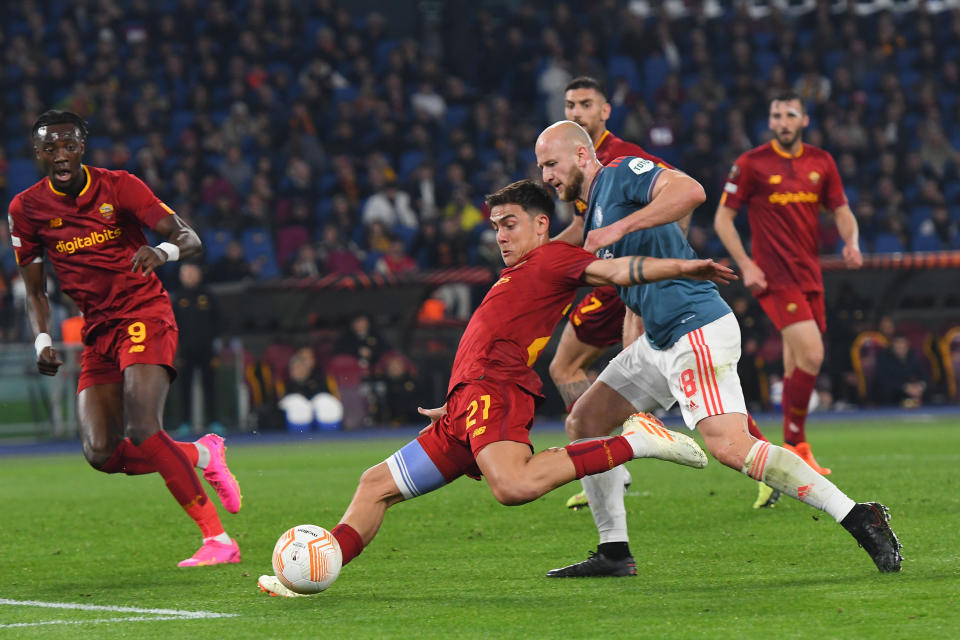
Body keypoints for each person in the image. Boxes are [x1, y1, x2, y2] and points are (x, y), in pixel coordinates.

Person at [258, 179, 737, 596]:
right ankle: (314, 569)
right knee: (375, 485)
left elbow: (617, 270)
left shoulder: (554, 260)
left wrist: (682, 267)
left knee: (511, 486)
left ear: (541, 225)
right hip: (463, 406)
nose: (501, 235)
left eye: (510, 223)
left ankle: (636, 441)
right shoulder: (519, 271)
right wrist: (455, 396)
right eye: (495, 226)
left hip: (497, 392)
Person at [536, 120, 900, 577]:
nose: (547, 175)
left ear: (583, 156)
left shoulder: (619, 173)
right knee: (584, 420)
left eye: (552, 163)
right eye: (541, 167)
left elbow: (690, 192)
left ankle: (857, 516)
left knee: (731, 448)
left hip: (696, 329)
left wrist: (619, 228)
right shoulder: (593, 211)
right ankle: (613, 552)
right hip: (660, 339)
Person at [8, 110, 242, 567]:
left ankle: (217, 540)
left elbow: (190, 238)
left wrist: (160, 250)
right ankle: (201, 453)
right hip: (98, 330)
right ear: (36, 154)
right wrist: (42, 340)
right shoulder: (27, 209)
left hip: (143, 313)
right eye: (50, 148)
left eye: (69, 145)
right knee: (102, 452)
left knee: (142, 426)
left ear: (83, 147)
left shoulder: (121, 186)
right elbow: (35, 290)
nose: (61, 156)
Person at [552, 77, 774, 512]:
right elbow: (583, 229)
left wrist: (664, 257)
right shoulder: (572, 160)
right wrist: (544, 257)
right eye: (569, 104)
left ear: (604, 112)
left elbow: (682, 194)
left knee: (670, 364)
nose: (575, 111)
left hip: (641, 270)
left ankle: (622, 452)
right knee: (567, 365)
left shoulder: (622, 159)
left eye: (585, 104)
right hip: (613, 267)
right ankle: (611, 459)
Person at [713, 91, 864, 475]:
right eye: (776, 114)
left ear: (804, 120)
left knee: (797, 359)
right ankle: (796, 443)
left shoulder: (821, 162)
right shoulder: (752, 164)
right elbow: (723, 220)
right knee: (813, 354)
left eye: (789, 114)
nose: (781, 121)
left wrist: (851, 241)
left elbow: (842, 210)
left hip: (809, 275)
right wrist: (746, 264)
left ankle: (783, 455)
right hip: (774, 277)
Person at [172, 263, 223, 436]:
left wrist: (217, 342)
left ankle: (214, 421)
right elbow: (172, 327)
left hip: (207, 350)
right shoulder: (178, 298)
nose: (189, 276)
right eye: (185, 273)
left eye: (192, 272)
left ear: (198, 274)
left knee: (210, 386)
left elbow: (219, 321)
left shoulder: (208, 295)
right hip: (185, 351)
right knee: (184, 387)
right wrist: (176, 350)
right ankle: (185, 422)